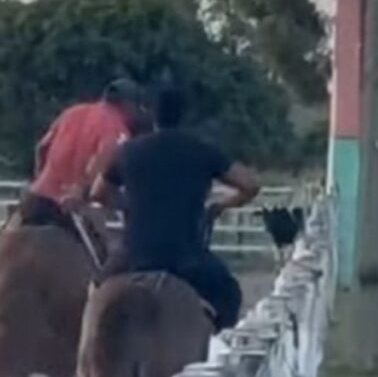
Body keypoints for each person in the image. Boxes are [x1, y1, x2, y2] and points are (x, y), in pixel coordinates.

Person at [0, 78, 149, 340]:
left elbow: (42, 147)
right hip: (71, 204)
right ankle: (104, 319)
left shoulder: (71, 113)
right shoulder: (116, 127)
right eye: (135, 107)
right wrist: (83, 190)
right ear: (126, 105)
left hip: (38, 196)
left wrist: (41, 177)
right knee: (106, 256)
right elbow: (105, 160)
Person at [90, 87, 260, 331]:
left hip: (135, 255)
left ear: (151, 114)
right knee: (229, 294)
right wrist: (220, 205)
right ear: (183, 114)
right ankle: (217, 347)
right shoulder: (202, 149)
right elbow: (250, 184)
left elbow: (97, 193)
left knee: (95, 291)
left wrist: (128, 204)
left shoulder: (129, 150)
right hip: (188, 259)